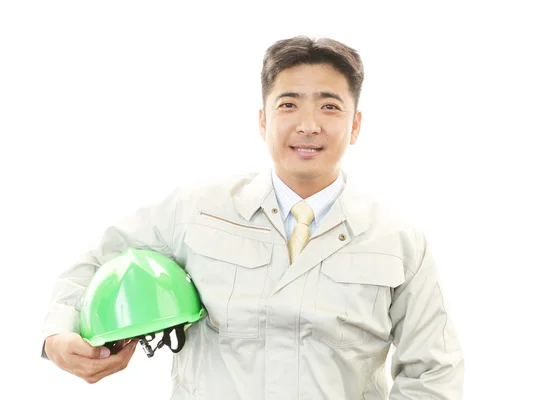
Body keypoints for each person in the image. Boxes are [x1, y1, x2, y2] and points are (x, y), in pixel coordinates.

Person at [41, 35, 465, 399]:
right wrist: (59, 336)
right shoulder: (196, 211)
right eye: (288, 104)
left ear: (355, 125)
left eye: (330, 107)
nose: (308, 124)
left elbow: (434, 371)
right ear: (263, 121)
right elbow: (96, 264)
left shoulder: (398, 239)